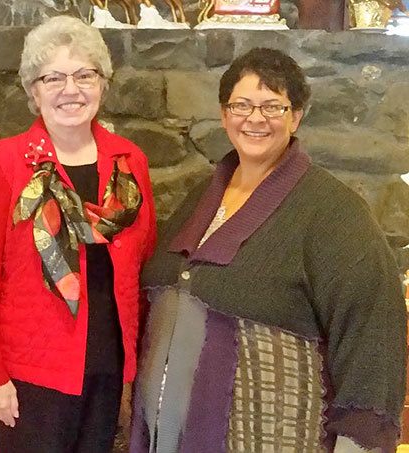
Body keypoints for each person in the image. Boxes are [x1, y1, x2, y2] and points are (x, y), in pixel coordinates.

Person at [131, 47, 406, 453]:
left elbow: (372, 334)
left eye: (272, 106)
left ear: (296, 116)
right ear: (225, 115)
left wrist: (358, 443)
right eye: (241, 105)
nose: (255, 119)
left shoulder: (334, 213)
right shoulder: (200, 198)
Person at [0, 15, 156, 453]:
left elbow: (142, 259)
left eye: (85, 75)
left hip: (108, 366)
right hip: (30, 374)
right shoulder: (4, 162)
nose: (71, 90)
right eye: (53, 77)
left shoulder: (130, 163)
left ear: (103, 85)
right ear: (34, 91)